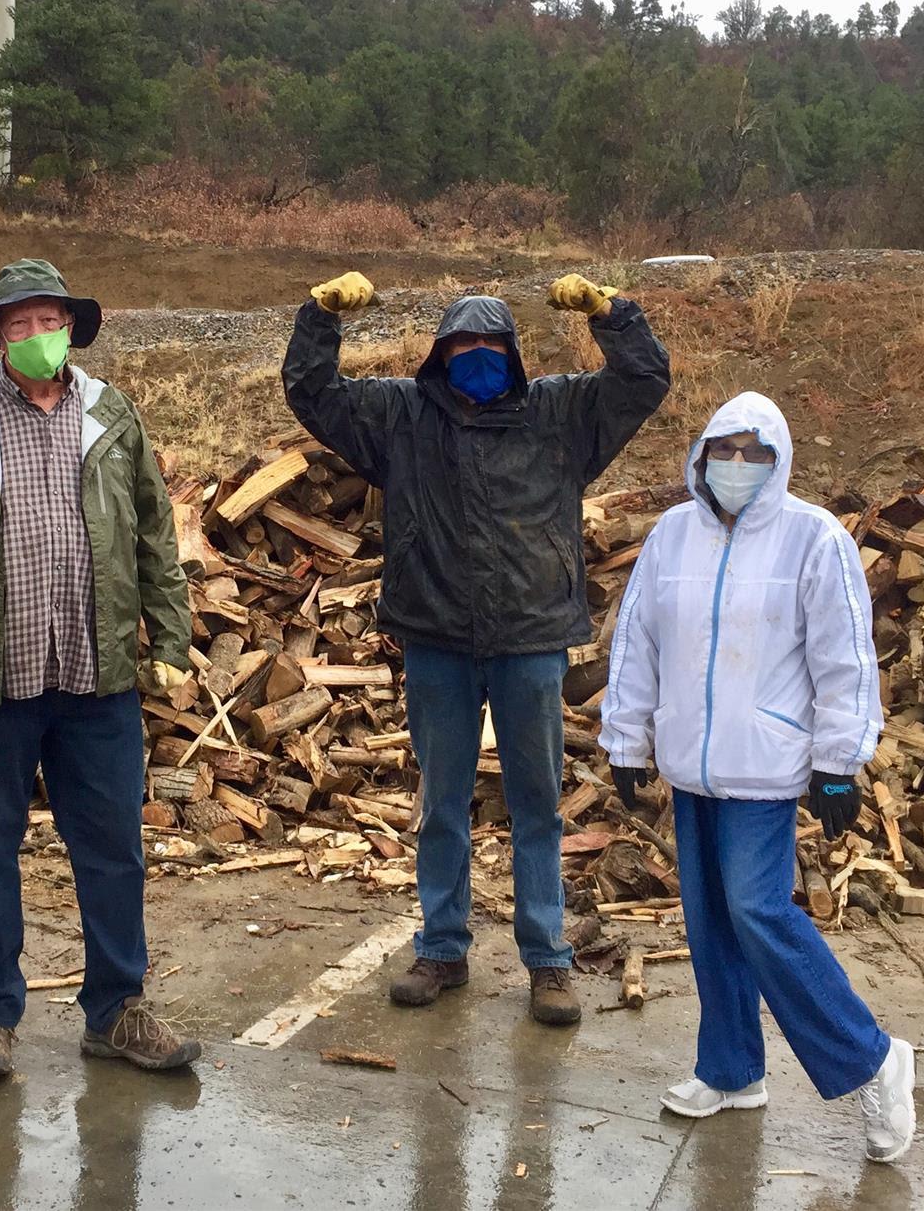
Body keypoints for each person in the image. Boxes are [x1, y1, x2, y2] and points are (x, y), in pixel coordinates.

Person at [283, 270, 670, 1026]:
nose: (477, 356)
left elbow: (644, 379)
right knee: (442, 804)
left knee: (537, 805)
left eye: (491, 345)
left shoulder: (561, 413)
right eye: (462, 345)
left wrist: (611, 314)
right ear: (440, 354)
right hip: (438, 637)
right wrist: (319, 319)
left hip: (530, 639)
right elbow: (315, 394)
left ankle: (548, 960)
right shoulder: (402, 417)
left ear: (514, 353)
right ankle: (442, 947)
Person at [0, 258, 200, 1080]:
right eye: (19, 323)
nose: (36, 335)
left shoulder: (112, 414)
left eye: (49, 320)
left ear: (71, 328)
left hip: (96, 679)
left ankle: (117, 1008)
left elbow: (154, 534)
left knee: (112, 849)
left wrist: (170, 639)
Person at [599, 390, 916, 1163]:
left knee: (756, 910)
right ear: (702, 455)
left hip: (766, 764)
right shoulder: (673, 535)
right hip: (691, 762)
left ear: (778, 462)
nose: (737, 465)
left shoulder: (813, 538)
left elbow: (844, 657)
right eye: (725, 450)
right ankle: (732, 1069)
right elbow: (638, 640)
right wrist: (626, 738)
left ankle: (873, 1059)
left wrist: (838, 762)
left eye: (754, 453)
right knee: (710, 917)